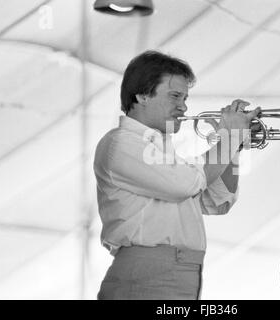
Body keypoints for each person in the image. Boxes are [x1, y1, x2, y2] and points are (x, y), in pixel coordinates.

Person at [93, 50, 260, 300]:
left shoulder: (166, 155)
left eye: (185, 97)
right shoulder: (121, 143)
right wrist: (230, 136)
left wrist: (233, 147)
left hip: (180, 272)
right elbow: (186, 185)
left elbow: (216, 201)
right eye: (175, 96)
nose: (183, 106)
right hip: (148, 274)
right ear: (141, 95)